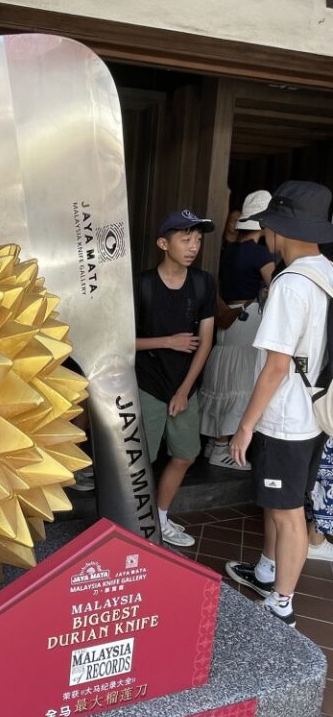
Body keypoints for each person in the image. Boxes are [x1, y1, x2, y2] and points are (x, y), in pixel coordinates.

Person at [225, 181, 333, 626]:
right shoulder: (327, 272)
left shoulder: (290, 285)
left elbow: (275, 367)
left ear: (280, 230)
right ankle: (267, 571)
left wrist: (245, 425)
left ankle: (281, 604)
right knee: (282, 500)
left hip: (286, 417)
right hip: (316, 412)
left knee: (288, 513)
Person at [135, 209, 216, 547]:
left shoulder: (203, 283)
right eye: (185, 239)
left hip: (185, 384)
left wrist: (184, 391)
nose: (193, 246)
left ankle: (161, 517)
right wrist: (168, 342)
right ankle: (134, 524)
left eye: (197, 239)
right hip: (148, 383)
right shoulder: (142, 285)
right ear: (163, 244)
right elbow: (121, 340)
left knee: (184, 455)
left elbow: (206, 340)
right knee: (142, 460)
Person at [200, 191, 275, 468]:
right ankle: (223, 448)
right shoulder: (260, 253)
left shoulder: (231, 250)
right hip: (248, 318)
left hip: (227, 318)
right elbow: (276, 287)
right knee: (241, 382)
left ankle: (213, 443)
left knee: (223, 380)